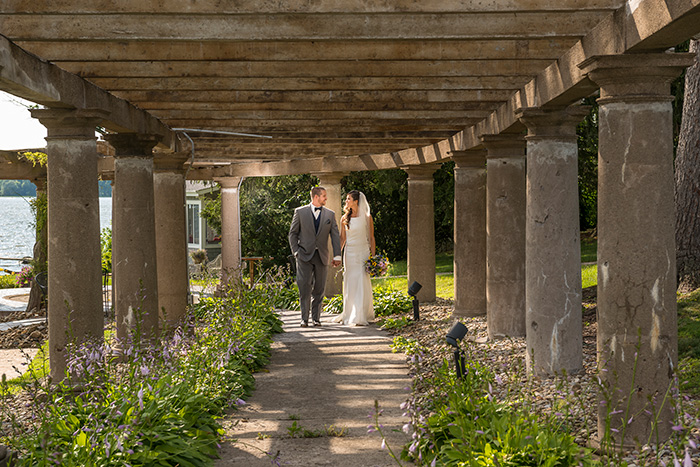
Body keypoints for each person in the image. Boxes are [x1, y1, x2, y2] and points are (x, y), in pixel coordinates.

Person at [288, 186, 341, 327]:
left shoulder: (330, 214)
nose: (326, 198)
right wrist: (296, 252)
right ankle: (304, 319)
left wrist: (337, 256)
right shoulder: (299, 212)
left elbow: (335, 235)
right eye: (324, 195)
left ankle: (316, 319)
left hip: (322, 256)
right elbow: (292, 234)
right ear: (316, 197)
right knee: (304, 287)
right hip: (304, 255)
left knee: (319, 288)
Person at [333, 190, 375, 326]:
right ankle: (350, 313)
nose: (346, 201)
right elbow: (342, 239)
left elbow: (371, 237)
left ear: (356, 201)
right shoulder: (344, 218)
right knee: (351, 281)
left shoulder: (367, 217)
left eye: (348, 199)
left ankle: (361, 314)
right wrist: (337, 255)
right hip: (349, 253)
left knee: (362, 280)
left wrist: (373, 257)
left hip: (363, 252)